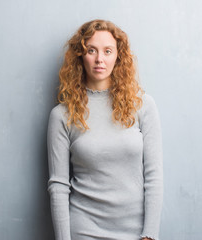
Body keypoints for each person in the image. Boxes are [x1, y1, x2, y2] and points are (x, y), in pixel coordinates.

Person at [47, 19, 163, 240]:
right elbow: (58, 186)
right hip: (84, 230)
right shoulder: (61, 116)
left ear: (118, 56)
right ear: (80, 56)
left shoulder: (143, 106)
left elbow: (154, 176)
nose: (100, 59)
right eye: (91, 50)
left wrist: (150, 235)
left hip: (136, 231)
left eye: (107, 51)